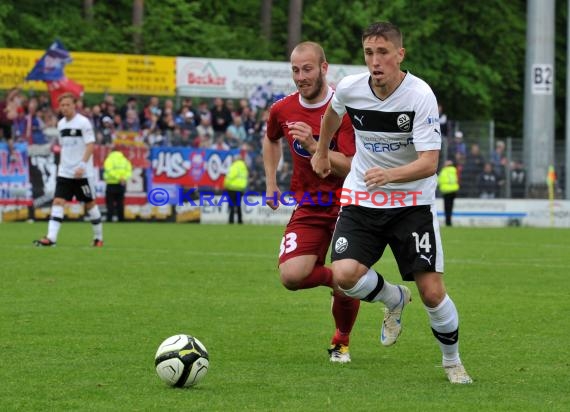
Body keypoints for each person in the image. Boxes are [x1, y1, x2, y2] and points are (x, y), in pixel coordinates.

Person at [311, 22, 472, 383]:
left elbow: (429, 162)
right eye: (369, 53)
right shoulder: (352, 87)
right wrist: (322, 151)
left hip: (412, 203)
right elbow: (332, 114)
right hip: (363, 198)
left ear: (400, 55)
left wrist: (390, 175)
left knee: (432, 292)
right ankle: (393, 299)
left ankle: (452, 362)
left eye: (383, 52)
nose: (375, 61)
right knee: (344, 275)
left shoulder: (419, 96)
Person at [263, 41, 360, 363]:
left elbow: (350, 164)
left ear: (324, 68)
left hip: (349, 205)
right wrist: (271, 182)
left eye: (307, 69)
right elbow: (271, 139)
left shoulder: (343, 109)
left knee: (345, 282)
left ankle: (341, 341)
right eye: (295, 70)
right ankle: (372, 285)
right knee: (291, 276)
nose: (301, 76)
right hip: (309, 203)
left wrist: (314, 143)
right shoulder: (282, 109)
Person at [33, 93, 103, 247]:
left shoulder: (83, 122)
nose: (64, 108)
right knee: (58, 201)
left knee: (90, 204)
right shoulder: (61, 124)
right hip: (65, 171)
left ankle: (98, 238)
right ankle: (51, 238)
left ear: (74, 105)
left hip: (82, 173)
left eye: (67, 105)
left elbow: (90, 144)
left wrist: (83, 165)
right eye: (62, 105)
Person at [103, 146, 133, 222]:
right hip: (121, 184)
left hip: (111, 183)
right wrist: (123, 178)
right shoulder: (125, 160)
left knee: (110, 203)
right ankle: (121, 219)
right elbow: (129, 171)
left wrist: (117, 177)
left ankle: (109, 219)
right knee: (120, 203)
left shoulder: (109, 159)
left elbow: (109, 170)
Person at [223, 149, 249, 224]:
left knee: (231, 205)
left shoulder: (234, 166)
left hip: (232, 188)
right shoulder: (244, 167)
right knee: (238, 205)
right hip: (240, 189)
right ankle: (240, 221)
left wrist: (225, 185)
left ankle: (231, 221)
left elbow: (230, 176)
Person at [438, 160, 460, 227]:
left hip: (446, 191)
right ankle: (449, 222)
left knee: (446, 208)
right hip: (453, 190)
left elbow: (439, 180)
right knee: (450, 207)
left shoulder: (444, 171)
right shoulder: (454, 170)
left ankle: (448, 222)